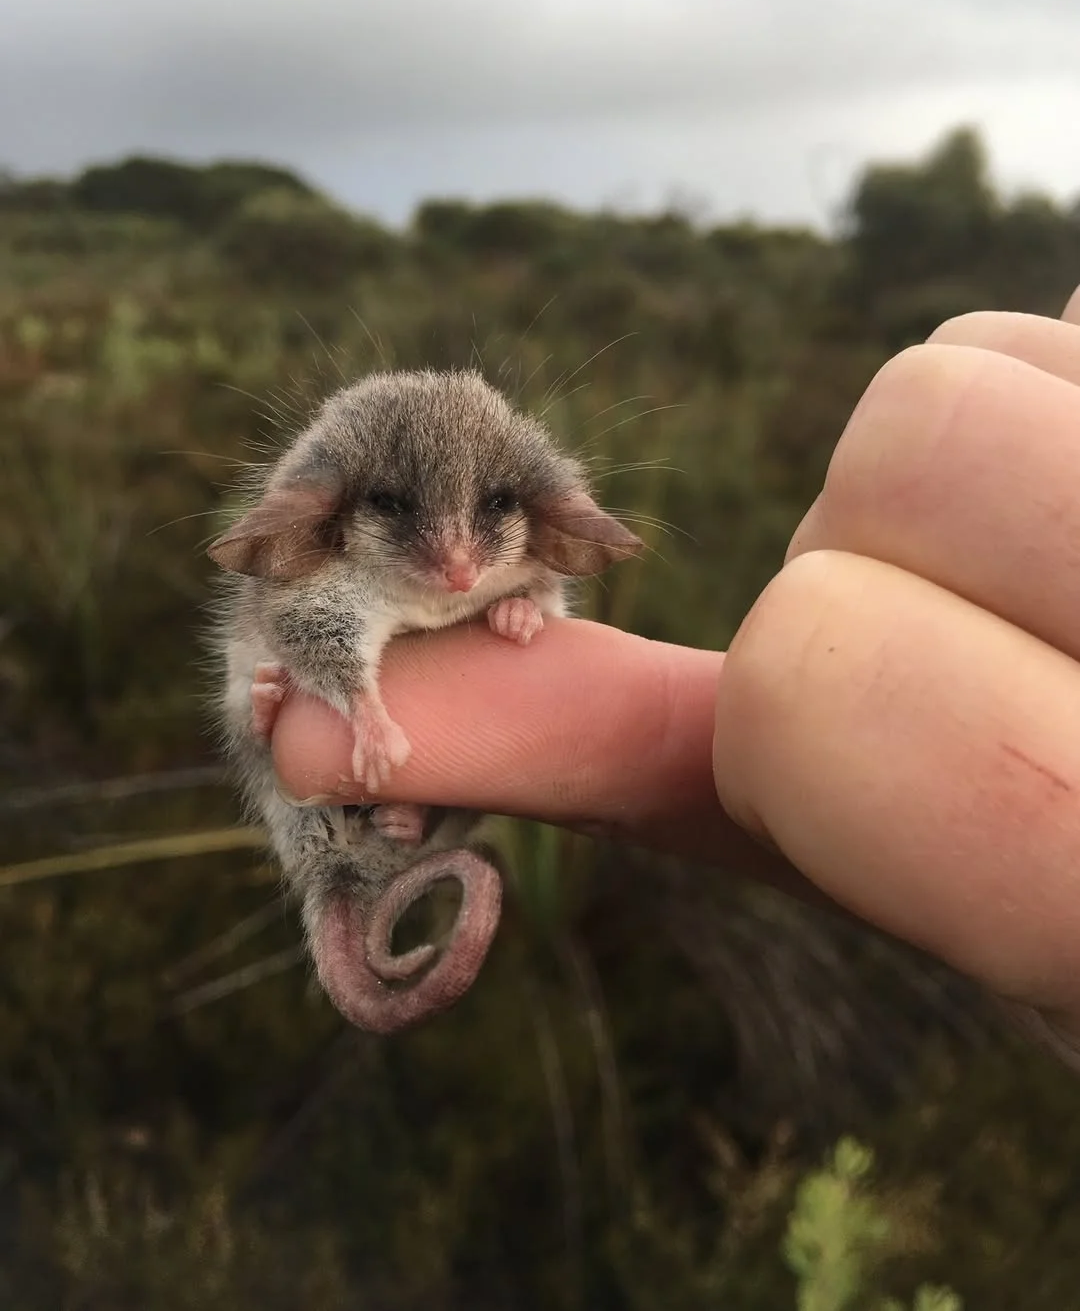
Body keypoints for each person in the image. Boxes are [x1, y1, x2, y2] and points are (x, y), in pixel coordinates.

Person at [269, 289, 1080, 1074]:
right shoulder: (324, 563)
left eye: (490, 512)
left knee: (462, 752)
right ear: (338, 515)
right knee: (305, 701)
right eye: (398, 510)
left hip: (431, 764)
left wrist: (527, 603)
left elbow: (535, 575)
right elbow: (310, 617)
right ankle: (364, 802)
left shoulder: (519, 551)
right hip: (322, 719)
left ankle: (413, 816)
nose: (456, 563)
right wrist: (367, 710)